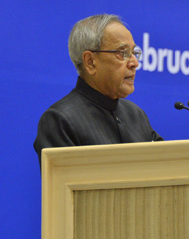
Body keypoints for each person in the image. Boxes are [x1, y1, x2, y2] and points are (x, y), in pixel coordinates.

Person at [34, 14, 163, 166]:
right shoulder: (60, 120)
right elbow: (67, 186)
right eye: (123, 53)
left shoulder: (136, 115)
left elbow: (166, 167)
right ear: (90, 62)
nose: (134, 63)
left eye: (134, 53)